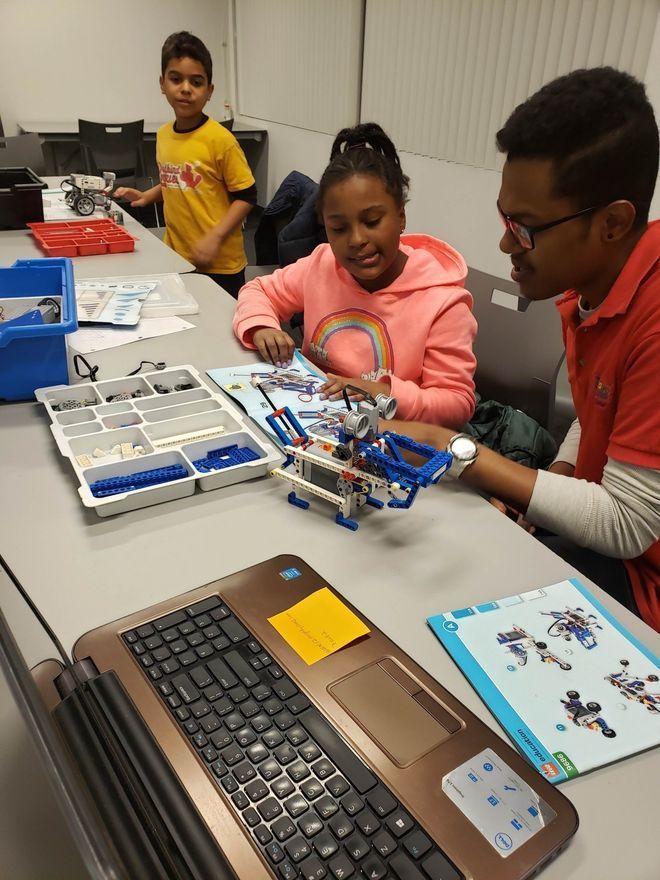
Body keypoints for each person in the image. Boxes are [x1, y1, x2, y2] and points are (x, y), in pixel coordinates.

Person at [389, 67, 660, 631]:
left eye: (526, 228)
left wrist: (452, 448)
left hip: (643, 584)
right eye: (505, 218)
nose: (505, 243)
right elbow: (600, 410)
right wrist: (551, 484)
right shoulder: (592, 290)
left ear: (612, 223)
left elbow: (628, 523)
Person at [233, 123, 477, 427]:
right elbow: (258, 291)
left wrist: (381, 392)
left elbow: (456, 403)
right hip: (313, 419)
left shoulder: (443, 303)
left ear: (401, 217)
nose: (357, 240)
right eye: (339, 228)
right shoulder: (322, 264)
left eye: (372, 221)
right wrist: (261, 326)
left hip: (388, 434)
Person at [115, 32, 256, 297]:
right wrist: (147, 196)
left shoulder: (220, 140)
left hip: (220, 261)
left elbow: (247, 196)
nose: (186, 88)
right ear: (162, 83)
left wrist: (215, 237)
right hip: (178, 254)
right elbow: (176, 180)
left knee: (221, 320)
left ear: (209, 91)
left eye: (197, 82)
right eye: (176, 79)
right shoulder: (163, 135)